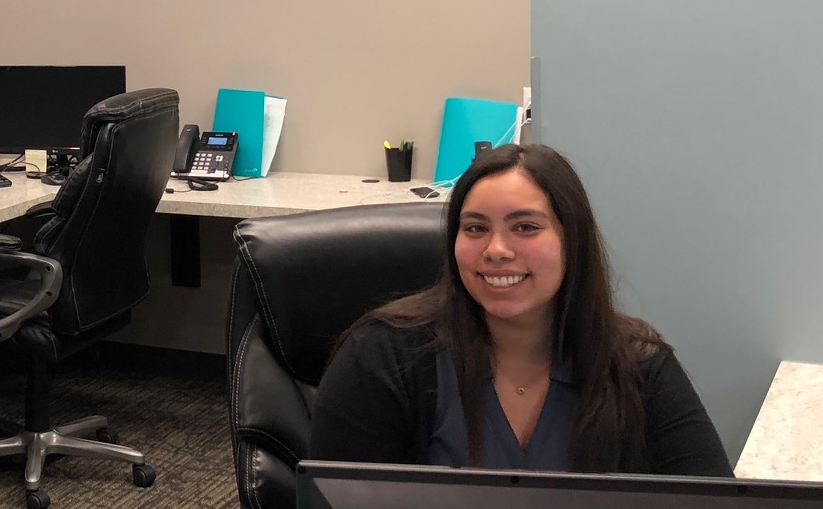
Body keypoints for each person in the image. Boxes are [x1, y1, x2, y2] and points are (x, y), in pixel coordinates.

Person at [309, 143, 731, 475]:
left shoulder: (639, 366)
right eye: (475, 228)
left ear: (572, 241)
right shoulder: (383, 357)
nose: (496, 250)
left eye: (525, 227)